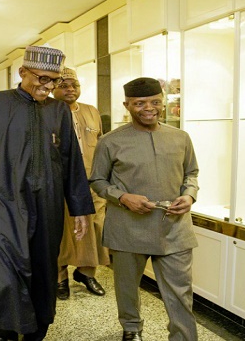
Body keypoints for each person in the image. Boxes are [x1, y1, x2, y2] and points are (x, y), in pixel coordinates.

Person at [0, 46, 94, 341]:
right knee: (4, 268)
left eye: (54, 81)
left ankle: (37, 329)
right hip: (1, 200)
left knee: (42, 266)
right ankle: (3, 329)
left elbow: (71, 161)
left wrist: (79, 208)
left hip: (48, 203)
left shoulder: (58, 110)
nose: (48, 86)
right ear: (23, 72)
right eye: (42, 78)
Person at [89, 77, 200, 341]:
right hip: (128, 228)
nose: (148, 108)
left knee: (180, 292)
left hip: (174, 227)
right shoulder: (111, 141)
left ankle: (183, 337)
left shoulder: (180, 137)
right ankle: (131, 328)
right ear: (126, 105)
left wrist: (190, 195)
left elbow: (192, 173)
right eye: (139, 103)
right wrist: (123, 197)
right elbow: (97, 180)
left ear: (162, 102)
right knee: (127, 286)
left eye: (155, 102)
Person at [52, 67, 110, 300]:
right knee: (62, 231)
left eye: (74, 85)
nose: (70, 90)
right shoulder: (47, 111)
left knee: (95, 228)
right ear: (54, 88)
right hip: (59, 184)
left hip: (90, 183)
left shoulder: (91, 111)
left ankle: (87, 273)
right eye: (63, 85)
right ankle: (59, 277)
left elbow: (102, 145)